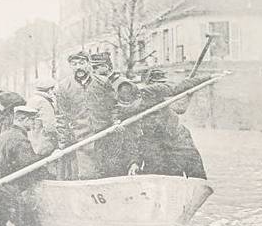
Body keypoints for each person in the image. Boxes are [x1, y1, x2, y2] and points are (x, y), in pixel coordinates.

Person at [118, 74, 213, 179]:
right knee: (158, 173)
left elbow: (180, 86)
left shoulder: (152, 91)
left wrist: (208, 77)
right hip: (154, 142)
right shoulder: (125, 113)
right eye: (126, 105)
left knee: (195, 171)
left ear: (138, 96)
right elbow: (131, 140)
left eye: (133, 103)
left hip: (177, 136)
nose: (131, 107)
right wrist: (133, 162)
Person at [0, 106, 50, 226]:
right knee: (28, 225)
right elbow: (30, 165)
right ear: (22, 120)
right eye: (32, 120)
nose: (34, 124)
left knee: (0, 219)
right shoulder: (19, 138)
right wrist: (49, 172)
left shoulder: (5, 135)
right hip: (3, 189)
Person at [55, 51, 120, 180]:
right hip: (82, 141)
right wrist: (63, 144)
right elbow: (62, 117)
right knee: (87, 176)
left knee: (110, 174)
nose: (78, 67)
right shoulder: (63, 87)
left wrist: (116, 121)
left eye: (81, 63)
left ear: (88, 64)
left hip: (105, 136)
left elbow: (113, 105)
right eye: (74, 64)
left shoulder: (102, 82)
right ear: (70, 66)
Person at [26, 78, 58, 156]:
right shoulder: (44, 102)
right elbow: (50, 126)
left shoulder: (32, 100)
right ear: (49, 89)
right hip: (44, 144)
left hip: (33, 142)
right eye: (53, 88)